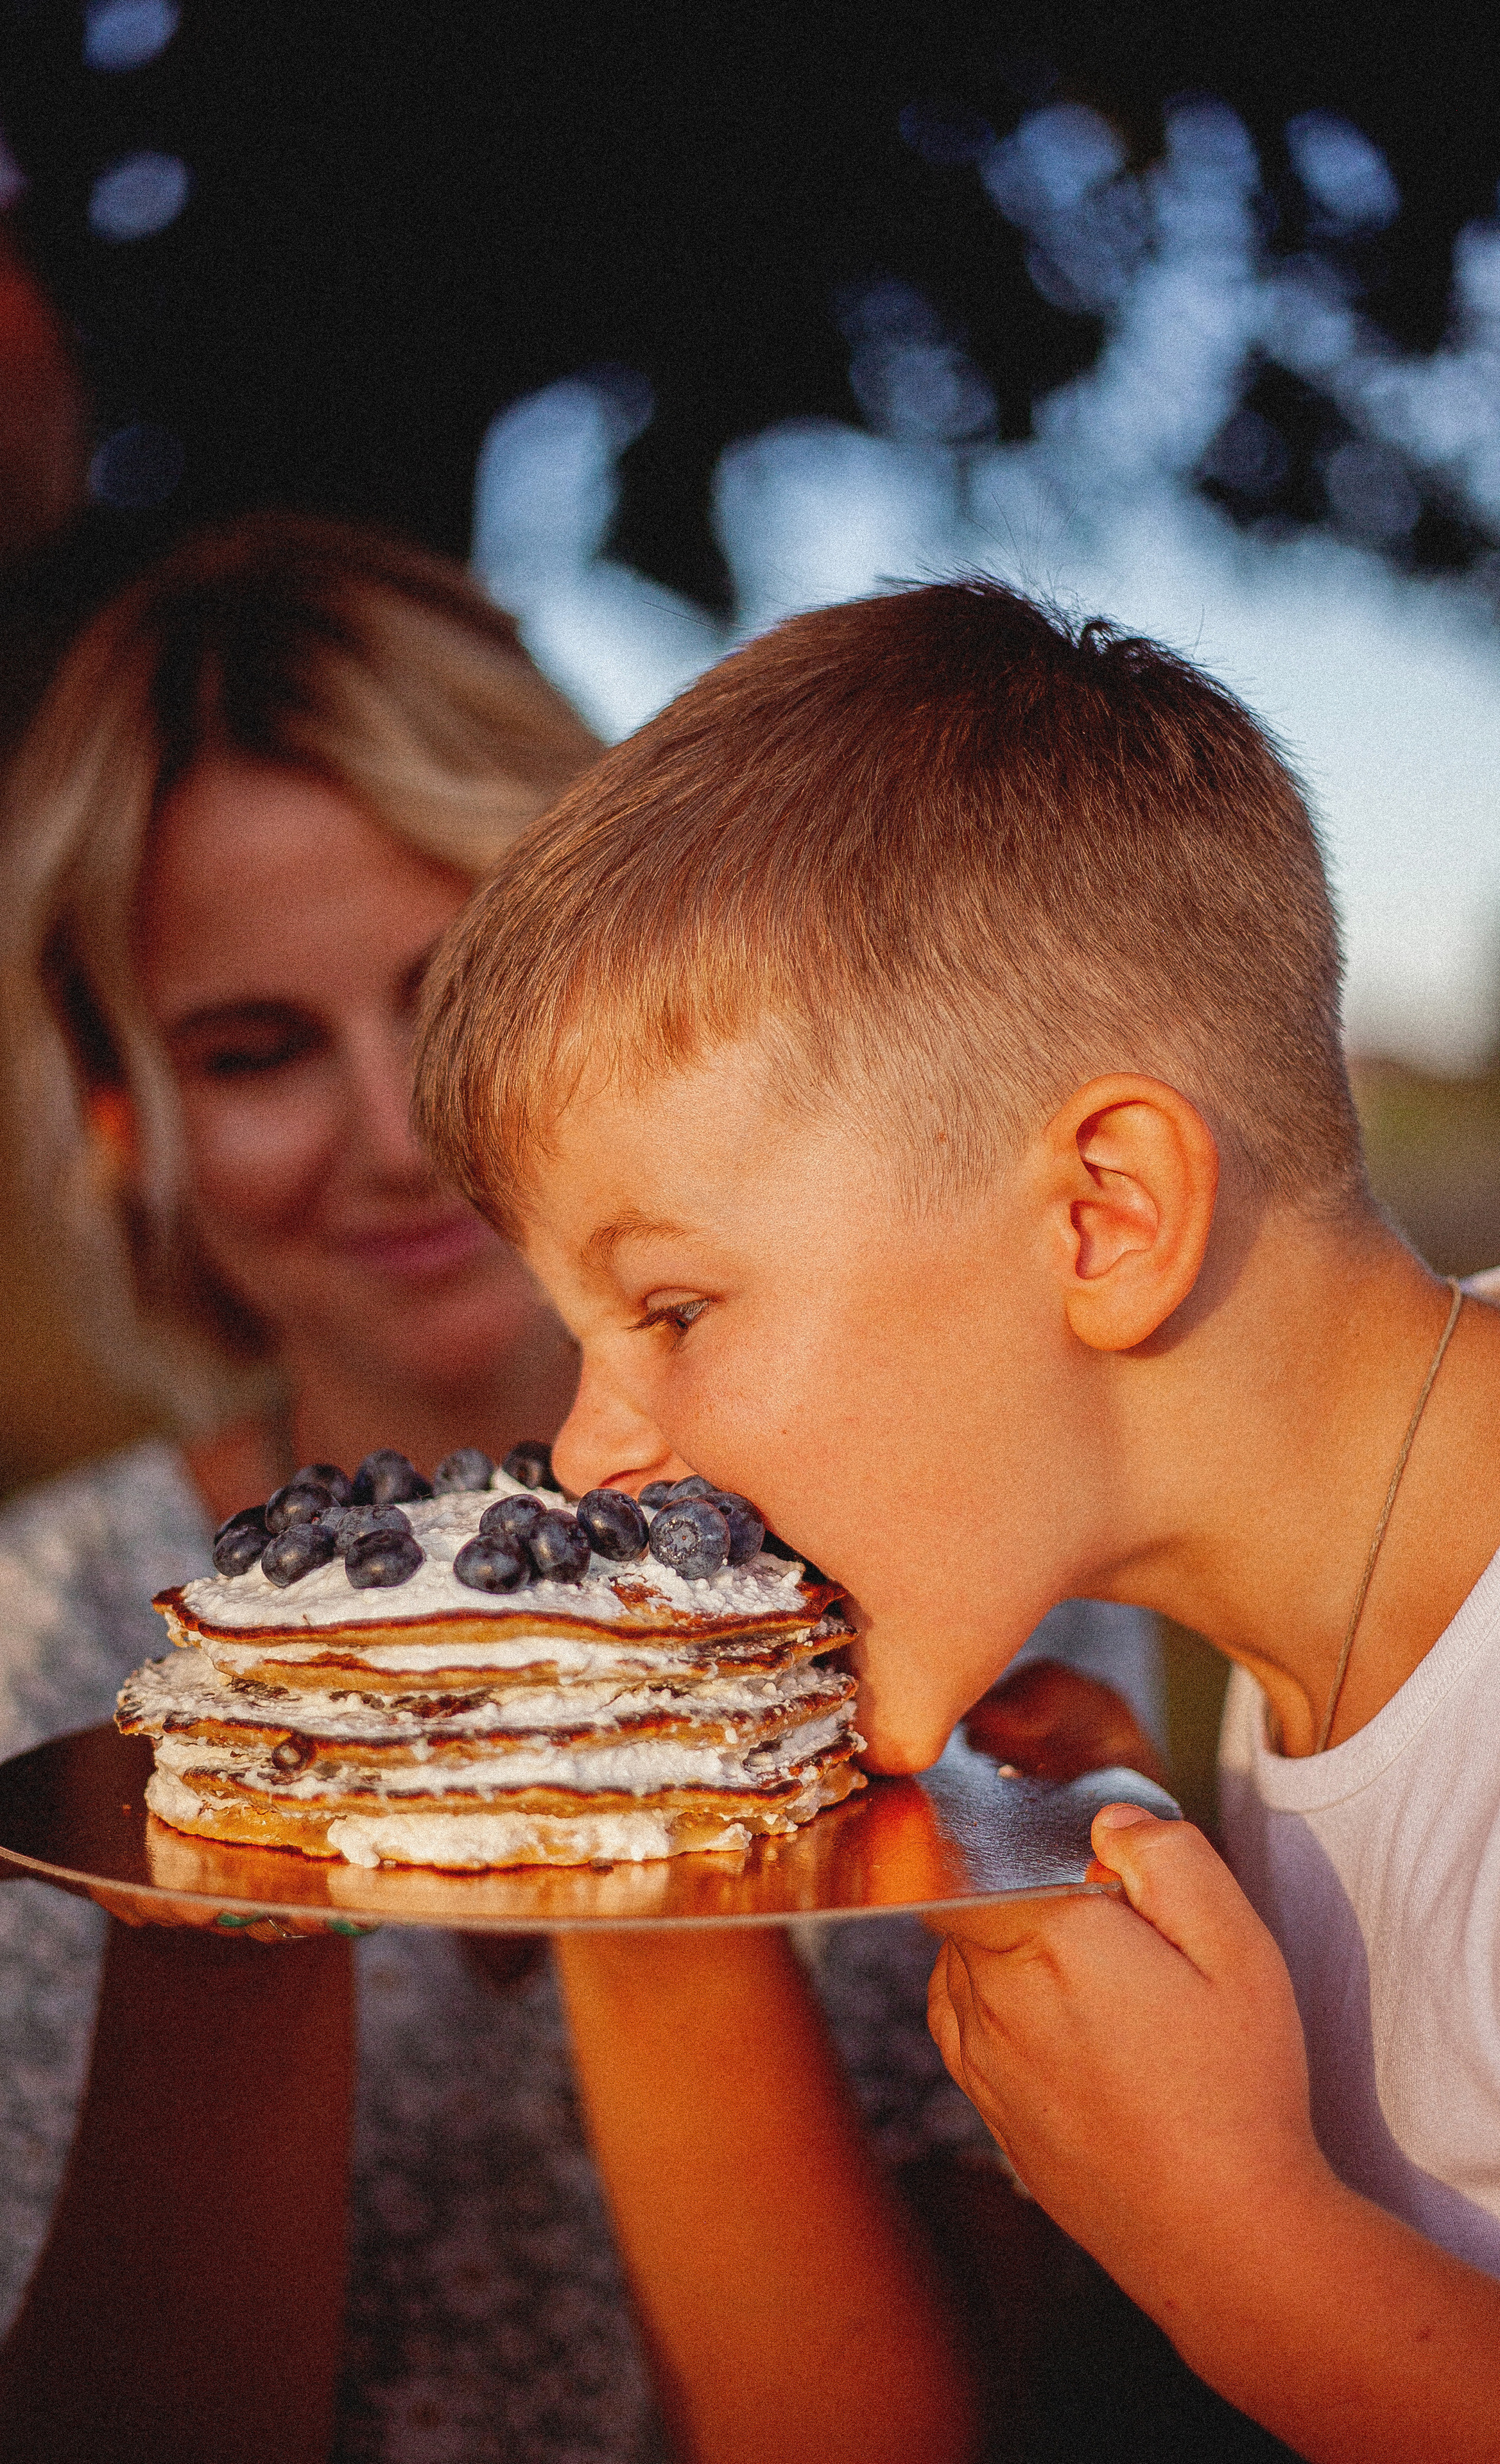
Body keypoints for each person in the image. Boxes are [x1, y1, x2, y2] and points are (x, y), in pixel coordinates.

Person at [0, 526, 1164, 2464]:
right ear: (124, 1116)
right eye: (254, 1049)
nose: (403, 1135)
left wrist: (624, 1741)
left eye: (468, 991)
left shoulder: (956, 1570)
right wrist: (261, 1797)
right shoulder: (14, 1637)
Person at [410, 575, 1500, 2463]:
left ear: (1104, 1217)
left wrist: (1246, 2259)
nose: (590, 1458)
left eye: (671, 1309)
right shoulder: (1309, 1629)